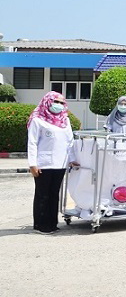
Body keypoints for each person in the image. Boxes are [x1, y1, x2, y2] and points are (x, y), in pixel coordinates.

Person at [27, 92, 79, 234]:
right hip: (43, 163)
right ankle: (40, 224)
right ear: (48, 101)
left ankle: (52, 223)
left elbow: (70, 142)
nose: (59, 105)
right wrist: (32, 164)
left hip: (60, 163)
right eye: (56, 101)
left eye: (62, 103)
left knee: (54, 194)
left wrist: (72, 159)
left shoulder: (65, 121)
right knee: (42, 194)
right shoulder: (38, 120)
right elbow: (32, 143)